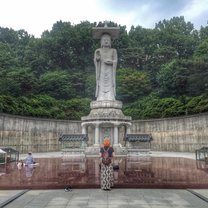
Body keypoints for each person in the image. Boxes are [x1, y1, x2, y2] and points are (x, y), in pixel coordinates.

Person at [94, 33, 118, 101]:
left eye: (108, 40)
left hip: (110, 70)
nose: (106, 41)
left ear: (110, 41)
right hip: (101, 70)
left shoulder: (113, 50)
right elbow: (96, 61)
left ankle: (110, 96)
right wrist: (97, 59)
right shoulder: (98, 50)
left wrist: (112, 62)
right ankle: (100, 96)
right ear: (101, 41)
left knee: (110, 83)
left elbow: (116, 61)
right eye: (104, 40)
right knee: (101, 83)